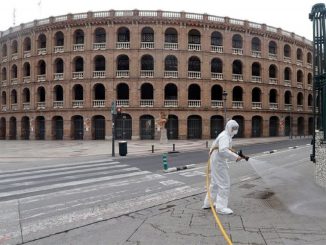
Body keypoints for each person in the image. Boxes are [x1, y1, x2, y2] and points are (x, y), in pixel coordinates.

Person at [202, 119, 243, 215]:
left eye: (236, 128)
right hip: (218, 163)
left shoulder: (225, 135)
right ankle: (221, 208)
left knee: (215, 183)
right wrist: (236, 157)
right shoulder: (225, 136)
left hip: (216, 161)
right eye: (233, 128)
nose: (235, 130)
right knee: (224, 184)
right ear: (228, 127)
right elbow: (223, 150)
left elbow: (222, 148)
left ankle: (208, 203)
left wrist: (234, 153)